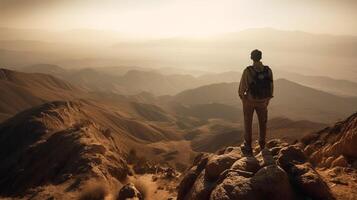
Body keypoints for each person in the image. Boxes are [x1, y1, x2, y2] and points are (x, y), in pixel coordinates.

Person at [238, 49, 274, 154]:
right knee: (263, 122)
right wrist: (267, 100)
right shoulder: (268, 70)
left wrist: (244, 99)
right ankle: (262, 144)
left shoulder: (248, 71)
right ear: (261, 57)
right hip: (263, 101)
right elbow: (271, 87)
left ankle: (248, 144)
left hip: (249, 101)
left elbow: (241, 89)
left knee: (248, 122)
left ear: (251, 58)